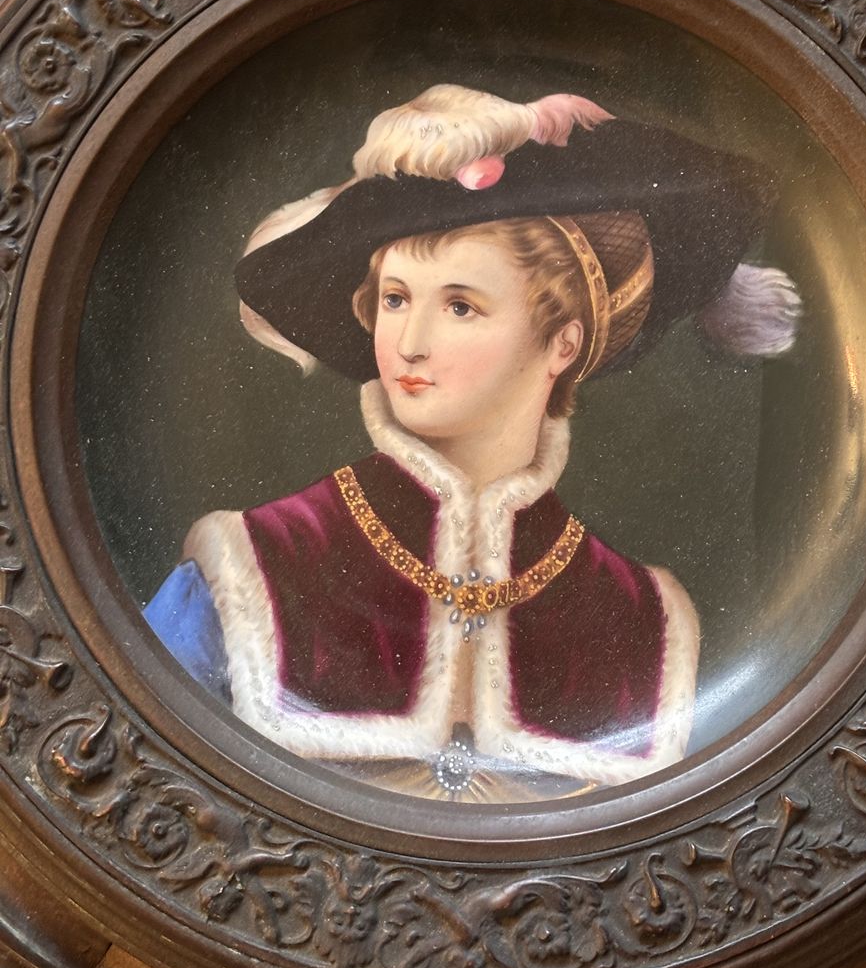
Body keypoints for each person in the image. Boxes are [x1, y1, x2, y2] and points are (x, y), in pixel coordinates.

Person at [145, 84, 801, 801]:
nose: (411, 342)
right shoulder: (251, 566)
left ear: (562, 343)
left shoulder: (644, 620)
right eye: (396, 299)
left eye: (460, 306)